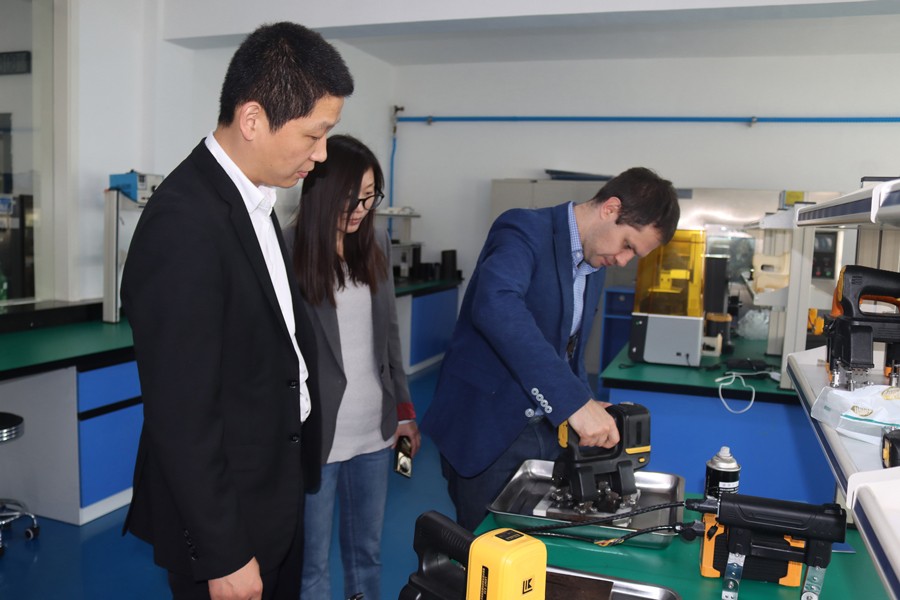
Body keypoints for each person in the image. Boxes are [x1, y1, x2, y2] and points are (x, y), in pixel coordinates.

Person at [120, 22, 353, 600]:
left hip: (273, 487)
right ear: (252, 119)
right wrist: (222, 550)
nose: (322, 154)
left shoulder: (253, 199)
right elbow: (182, 413)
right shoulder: (184, 222)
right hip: (228, 520)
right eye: (314, 134)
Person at [421, 167, 680, 530]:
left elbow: (567, 352)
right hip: (488, 429)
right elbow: (496, 305)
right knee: (490, 552)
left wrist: (586, 401)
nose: (624, 260)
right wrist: (573, 403)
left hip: (546, 431)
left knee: (538, 546)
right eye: (627, 245)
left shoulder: (594, 264)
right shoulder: (523, 230)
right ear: (610, 209)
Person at [286, 134, 421, 600]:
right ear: (321, 189)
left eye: (369, 196)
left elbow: (389, 337)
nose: (362, 209)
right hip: (318, 435)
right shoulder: (286, 250)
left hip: (374, 433)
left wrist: (404, 412)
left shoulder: (375, 242)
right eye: (352, 197)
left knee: (367, 553)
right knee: (312, 566)